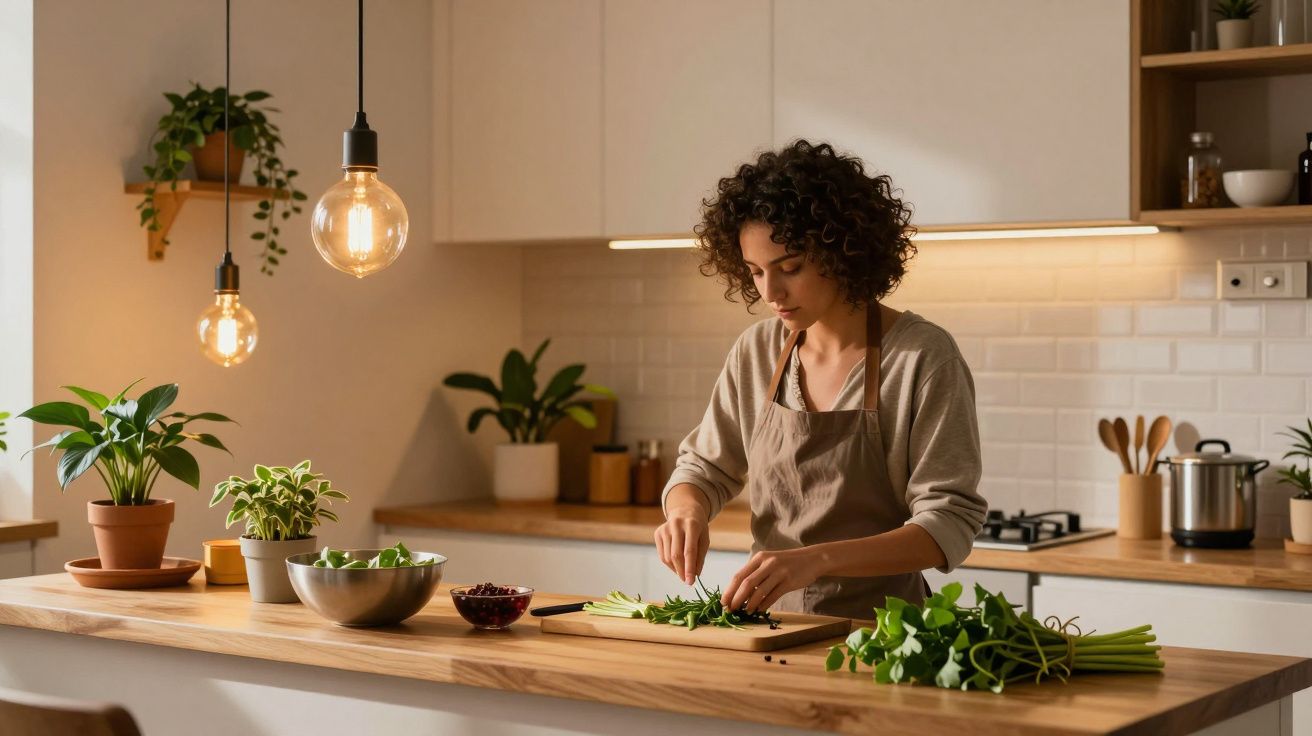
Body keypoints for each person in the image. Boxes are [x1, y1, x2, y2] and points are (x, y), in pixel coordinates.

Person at [654, 140, 987, 620]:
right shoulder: (757, 352)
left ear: (842, 252)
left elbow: (948, 522)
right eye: (755, 273)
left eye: (790, 268)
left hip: (888, 634)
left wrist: (817, 561)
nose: (770, 292)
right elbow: (703, 470)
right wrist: (686, 512)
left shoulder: (922, 357)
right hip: (769, 627)